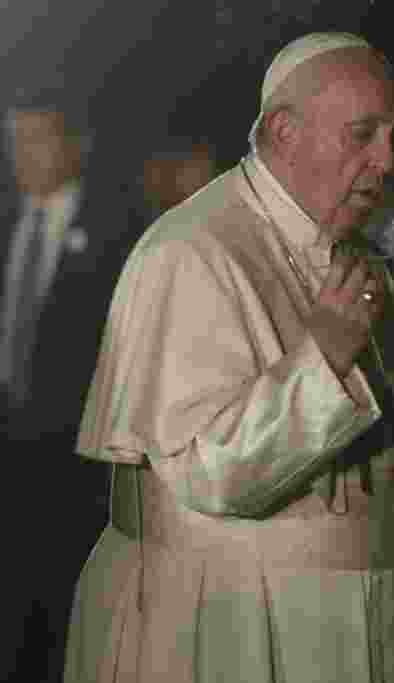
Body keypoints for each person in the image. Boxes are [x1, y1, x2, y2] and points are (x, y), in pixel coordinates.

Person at [65, 33, 394, 683]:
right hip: (228, 622)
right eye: (362, 134)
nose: (386, 160)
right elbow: (210, 472)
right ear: (282, 131)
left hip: (356, 626)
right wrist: (324, 355)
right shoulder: (190, 252)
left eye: (393, 136)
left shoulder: (358, 254)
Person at [0, 88, 137, 681]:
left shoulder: (119, 233)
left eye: (35, 139)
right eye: (13, 142)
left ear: (75, 145)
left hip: (76, 464)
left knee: (64, 614)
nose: (20, 156)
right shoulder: (8, 225)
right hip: (9, 452)